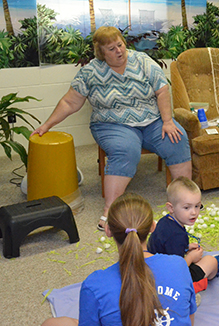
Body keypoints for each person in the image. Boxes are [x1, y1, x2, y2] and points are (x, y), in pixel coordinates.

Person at [32, 26, 192, 231]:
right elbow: (70, 103)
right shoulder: (91, 71)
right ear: (101, 52)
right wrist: (47, 125)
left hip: (151, 120)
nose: (119, 51)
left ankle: (185, 201)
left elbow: (162, 90)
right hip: (112, 124)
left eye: (120, 45)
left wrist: (168, 121)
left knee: (176, 138)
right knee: (126, 149)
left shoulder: (141, 60)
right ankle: (110, 210)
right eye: (111, 48)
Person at [41, 193, 196, 326]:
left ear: (108, 230)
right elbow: (189, 319)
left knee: (52, 323)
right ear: (152, 227)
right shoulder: (179, 264)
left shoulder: (95, 285)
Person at [147, 176, 219, 293]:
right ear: (171, 207)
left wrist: (185, 248)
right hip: (168, 280)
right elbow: (177, 269)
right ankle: (197, 284)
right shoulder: (177, 235)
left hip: (156, 271)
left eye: (197, 206)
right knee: (211, 261)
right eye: (187, 207)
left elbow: (167, 249)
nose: (194, 212)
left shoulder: (164, 221)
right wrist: (190, 257)